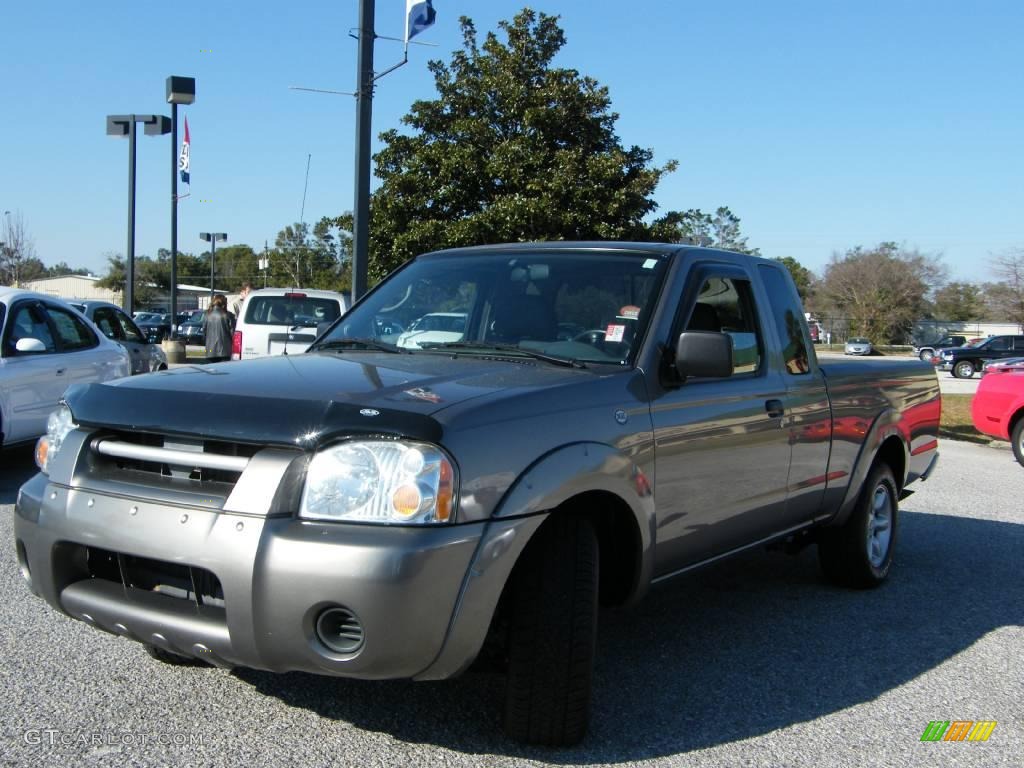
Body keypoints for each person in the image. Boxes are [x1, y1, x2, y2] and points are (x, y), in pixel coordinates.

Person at [203, 294, 234, 363]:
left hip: (210, 350)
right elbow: (233, 333)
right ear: (224, 303)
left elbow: (204, 331)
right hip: (225, 350)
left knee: (212, 371)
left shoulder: (207, 315)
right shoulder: (228, 315)